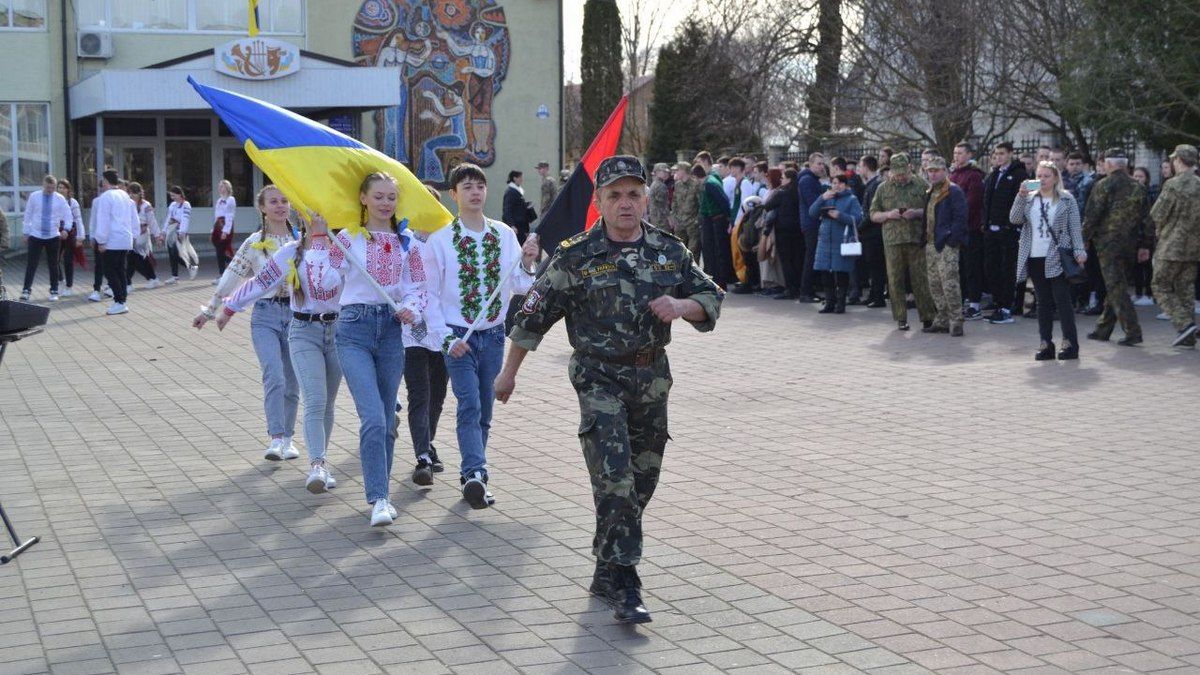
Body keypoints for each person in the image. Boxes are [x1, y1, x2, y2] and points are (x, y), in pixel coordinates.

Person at [498, 155, 723, 625]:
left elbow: (710, 298)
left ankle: (606, 565)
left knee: (642, 481)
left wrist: (682, 304)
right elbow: (531, 318)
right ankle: (626, 581)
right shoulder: (576, 255)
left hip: (652, 378)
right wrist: (508, 374)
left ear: (646, 198)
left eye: (634, 194)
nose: (626, 203)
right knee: (615, 478)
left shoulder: (670, 250)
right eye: (615, 195)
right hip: (598, 378)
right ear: (598, 201)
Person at [312, 172, 427, 527]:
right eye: (378, 196)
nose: (385, 203)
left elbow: (418, 287)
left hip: (392, 332)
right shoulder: (347, 238)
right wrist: (322, 242)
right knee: (374, 417)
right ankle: (377, 498)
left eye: (391, 196)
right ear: (363, 198)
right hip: (353, 330)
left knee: (387, 421)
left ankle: (384, 496)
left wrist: (412, 308)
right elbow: (322, 285)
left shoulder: (408, 241)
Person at [424, 163, 540, 508]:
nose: (475, 192)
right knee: (469, 403)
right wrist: (445, 339)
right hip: (458, 337)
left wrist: (530, 261)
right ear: (453, 194)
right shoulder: (440, 240)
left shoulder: (503, 234)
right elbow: (428, 294)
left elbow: (519, 285)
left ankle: (473, 470)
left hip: (491, 335)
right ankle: (475, 473)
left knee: (485, 407)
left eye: (480, 186)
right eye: (467, 186)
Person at [217, 219, 345, 494]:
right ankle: (317, 465)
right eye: (311, 215)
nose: (319, 220)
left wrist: (324, 242)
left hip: (337, 332)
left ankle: (321, 459)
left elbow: (330, 285)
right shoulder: (290, 251)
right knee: (315, 399)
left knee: (328, 404)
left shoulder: (343, 250)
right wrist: (229, 307)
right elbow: (260, 281)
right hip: (303, 331)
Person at [195, 184, 301, 461]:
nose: (280, 205)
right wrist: (211, 309)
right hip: (265, 314)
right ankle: (276, 438)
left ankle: (289, 438)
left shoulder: (302, 240)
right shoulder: (254, 242)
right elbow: (233, 275)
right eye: (273, 201)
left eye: (285, 200)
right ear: (262, 208)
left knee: (292, 380)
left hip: (297, 315)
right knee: (274, 375)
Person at [1011, 161, 1086, 360]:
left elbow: (1075, 228)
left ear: (1055, 178)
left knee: (1062, 300)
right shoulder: (1029, 199)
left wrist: (1079, 251)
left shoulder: (1066, 199)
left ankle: (1070, 343)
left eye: (1046, 176)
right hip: (1035, 255)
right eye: (1039, 175)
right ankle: (1046, 343)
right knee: (1042, 302)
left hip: (1057, 255)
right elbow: (1014, 219)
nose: (1042, 180)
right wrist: (1020, 196)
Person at [1084, 149, 1148, 346]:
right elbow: (1147, 219)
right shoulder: (1138, 187)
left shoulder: (1103, 185)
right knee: (1117, 284)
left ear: (1110, 164)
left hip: (1108, 244)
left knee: (1116, 287)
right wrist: (1145, 245)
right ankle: (1103, 329)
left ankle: (1133, 331)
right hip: (1130, 244)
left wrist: (1082, 240)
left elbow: (1092, 216)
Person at [869, 153, 935, 331]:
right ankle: (900, 318)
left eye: (903, 173)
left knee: (920, 279)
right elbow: (873, 214)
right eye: (897, 174)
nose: (900, 177)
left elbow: (932, 209)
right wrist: (888, 215)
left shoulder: (922, 185)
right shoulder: (882, 188)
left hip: (916, 239)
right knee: (895, 280)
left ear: (909, 168)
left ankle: (928, 316)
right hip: (893, 241)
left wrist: (916, 213)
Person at [1148, 145, 1200, 348]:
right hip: (1194, 247)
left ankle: (1184, 324)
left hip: (1171, 245)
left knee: (1159, 285)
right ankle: (1187, 335)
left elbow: (1157, 213)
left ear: (1178, 160)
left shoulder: (1173, 185)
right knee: (1185, 288)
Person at [918, 157, 969, 336]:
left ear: (945, 171)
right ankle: (942, 319)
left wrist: (951, 240)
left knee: (949, 283)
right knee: (935, 285)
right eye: (930, 171)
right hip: (931, 244)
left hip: (946, 245)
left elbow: (961, 219)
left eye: (936, 170)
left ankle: (956, 320)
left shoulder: (953, 191)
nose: (932, 174)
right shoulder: (930, 191)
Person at [981, 142, 1029, 324]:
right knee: (991, 267)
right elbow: (987, 200)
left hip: (1008, 231)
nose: (998, 157)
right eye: (996, 154)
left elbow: (1023, 202)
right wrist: (985, 223)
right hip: (991, 230)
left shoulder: (1020, 175)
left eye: (1002, 153)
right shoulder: (994, 174)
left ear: (1010, 154)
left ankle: (1006, 307)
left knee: (1007, 269)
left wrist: (1011, 225)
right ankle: (998, 303)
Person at [808, 173, 862, 314]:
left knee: (841, 272)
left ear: (845, 185)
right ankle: (829, 303)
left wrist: (840, 216)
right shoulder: (827, 198)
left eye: (839, 183)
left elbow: (857, 219)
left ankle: (841, 303)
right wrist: (822, 198)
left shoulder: (852, 199)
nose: (836, 186)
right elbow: (812, 213)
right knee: (825, 272)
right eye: (834, 183)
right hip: (825, 241)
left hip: (841, 241)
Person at [89, 170, 137, 316]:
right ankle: (122, 300)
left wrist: (101, 240)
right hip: (125, 239)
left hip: (112, 240)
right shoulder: (125, 196)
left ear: (105, 180)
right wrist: (133, 236)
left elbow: (103, 220)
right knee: (120, 270)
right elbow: (134, 219)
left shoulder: (106, 197)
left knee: (110, 270)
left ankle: (119, 301)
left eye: (102, 180)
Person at [20, 175, 71, 302]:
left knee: (53, 264)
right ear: (43, 185)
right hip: (36, 235)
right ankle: (26, 290)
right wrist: (26, 232)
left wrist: (66, 229)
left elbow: (68, 215)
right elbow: (28, 214)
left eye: (53, 188)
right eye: (48, 187)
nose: (50, 190)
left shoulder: (59, 199)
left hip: (53, 236)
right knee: (32, 264)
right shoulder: (34, 196)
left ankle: (54, 290)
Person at [950, 143, 986, 320]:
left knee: (972, 267)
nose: (956, 156)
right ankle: (963, 300)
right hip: (954, 230)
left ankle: (975, 304)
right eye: (955, 153)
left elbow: (971, 202)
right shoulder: (953, 174)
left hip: (970, 229)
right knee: (960, 268)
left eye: (960, 153)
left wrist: (956, 217)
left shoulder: (974, 175)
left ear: (969, 154)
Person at [763, 168, 803, 300]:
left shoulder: (782, 192)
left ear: (789, 179)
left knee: (786, 261)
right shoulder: (798, 191)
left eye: (783, 178)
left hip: (783, 230)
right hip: (797, 229)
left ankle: (790, 289)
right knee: (796, 259)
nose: (781, 180)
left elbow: (768, 205)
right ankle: (797, 287)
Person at [695, 151, 733, 288]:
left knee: (717, 251)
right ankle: (714, 279)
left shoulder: (711, 180)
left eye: (699, 162)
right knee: (710, 251)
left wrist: (728, 218)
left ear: (705, 162)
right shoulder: (710, 178)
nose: (697, 165)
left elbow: (723, 200)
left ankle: (719, 281)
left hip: (716, 219)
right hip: (710, 219)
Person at [797, 153, 827, 302]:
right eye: (819, 164)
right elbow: (812, 203)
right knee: (811, 258)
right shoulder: (807, 180)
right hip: (811, 223)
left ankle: (809, 290)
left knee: (813, 257)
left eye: (823, 164)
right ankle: (805, 292)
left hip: (812, 222)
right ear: (811, 164)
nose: (822, 167)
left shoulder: (812, 179)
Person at [858, 156, 887, 308]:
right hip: (870, 232)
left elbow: (871, 212)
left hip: (873, 233)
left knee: (876, 266)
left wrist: (859, 227)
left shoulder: (875, 185)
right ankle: (873, 295)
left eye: (860, 166)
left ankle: (878, 297)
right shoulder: (871, 184)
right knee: (872, 266)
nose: (858, 169)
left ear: (866, 167)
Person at [125, 182, 161, 289]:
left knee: (133, 258)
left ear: (140, 193)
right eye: (130, 193)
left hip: (142, 235)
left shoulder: (146, 205)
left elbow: (152, 222)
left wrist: (158, 236)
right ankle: (152, 278)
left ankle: (128, 283)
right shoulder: (128, 204)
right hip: (131, 234)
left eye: (134, 193)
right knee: (136, 259)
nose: (132, 196)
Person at [1131, 167, 1156, 307]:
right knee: (1136, 266)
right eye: (1135, 176)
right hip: (1134, 234)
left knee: (1147, 265)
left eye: (1140, 176)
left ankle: (1149, 294)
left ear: (1146, 178)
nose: (1137, 179)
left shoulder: (1150, 192)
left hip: (1146, 233)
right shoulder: (1131, 193)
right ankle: (1138, 292)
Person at [56, 179, 85, 298]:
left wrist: (80, 237)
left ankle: (69, 286)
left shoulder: (72, 202)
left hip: (70, 233)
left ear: (68, 190)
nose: (61, 190)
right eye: (59, 187)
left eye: (63, 187)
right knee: (53, 259)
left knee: (68, 260)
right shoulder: (55, 200)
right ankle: (60, 281)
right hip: (57, 232)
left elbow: (78, 220)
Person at [164, 186, 200, 282]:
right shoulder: (172, 205)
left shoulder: (186, 205)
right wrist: (163, 231)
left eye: (174, 195)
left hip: (180, 232)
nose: (172, 197)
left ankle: (191, 267)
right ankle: (175, 276)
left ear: (180, 194)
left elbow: (185, 219)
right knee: (172, 254)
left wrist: (182, 232)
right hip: (171, 232)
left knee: (177, 254)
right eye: (171, 196)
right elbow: (168, 219)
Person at [668, 163, 702, 262]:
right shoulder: (678, 185)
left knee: (693, 251)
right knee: (679, 250)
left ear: (684, 171)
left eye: (678, 170)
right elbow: (674, 202)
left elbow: (701, 204)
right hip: (680, 223)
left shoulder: (696, 185)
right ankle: (681, 274)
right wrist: (673, 216)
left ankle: (694, 274)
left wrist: (697, 220)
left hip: (692, 223)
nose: (675, 172)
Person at [501, 170, 535, 244]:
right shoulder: (510, 192)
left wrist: (526, 205)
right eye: (520, 177)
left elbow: (517, 206)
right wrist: (512, 225)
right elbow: (507, 210)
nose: (522, 179)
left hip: (521, 226)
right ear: (515, 178)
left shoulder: (517, 191)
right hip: (516, 227)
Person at [212, 179, 238, 278]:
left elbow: (229, 216)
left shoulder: (231, 199)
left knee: (222, 249)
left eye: (222, 186)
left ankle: (225, 272)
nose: (220, 188)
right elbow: (216, 215)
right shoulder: (219, 200)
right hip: (218, 225)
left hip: (226, 224)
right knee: (219, 250)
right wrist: (214, 228)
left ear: (227, 188)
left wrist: (225, 231)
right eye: (219, 186)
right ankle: (230, 267)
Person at [648, 163, 671, 230]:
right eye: (664, 172)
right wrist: (669, 218)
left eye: (667, 172)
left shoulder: (654, 183)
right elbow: (663, 205)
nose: (667, 174)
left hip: (655, 217)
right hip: (661, 219)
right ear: (657, 172)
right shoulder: (660, 186)